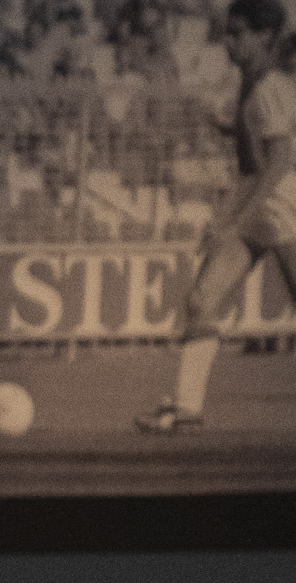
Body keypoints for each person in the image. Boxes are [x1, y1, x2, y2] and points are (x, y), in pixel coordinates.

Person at [142, 0, 296, 433]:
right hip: (257, 199)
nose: (228, 41)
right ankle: (188, 409)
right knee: (202, 299)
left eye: (238, 32)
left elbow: (281, 161)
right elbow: (266, 143)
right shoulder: (253, 82)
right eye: (227, 32)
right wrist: (229, 127)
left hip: (284, 204)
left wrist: (234, 220)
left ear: (264, 37)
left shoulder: (270, 86)